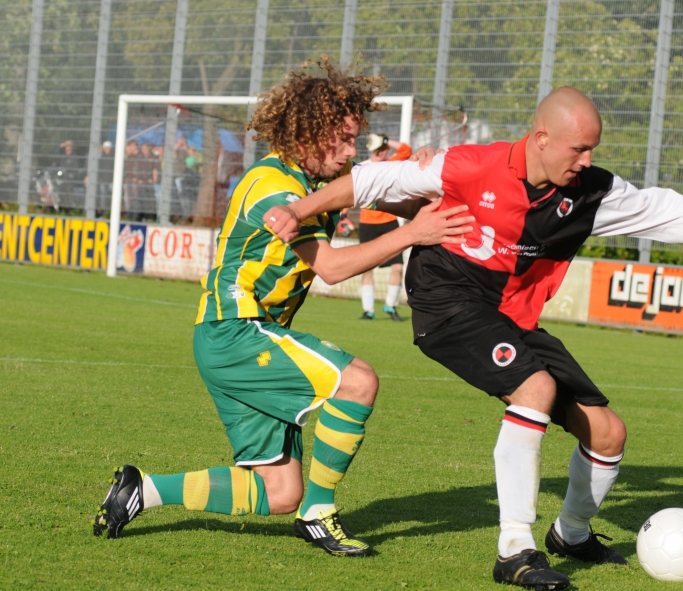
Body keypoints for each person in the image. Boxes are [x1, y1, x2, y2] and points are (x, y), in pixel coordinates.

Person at [264, 86, 683, 588]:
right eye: (578, 147)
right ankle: (515, 550)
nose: (586, 159)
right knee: (534, 387)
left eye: (592, 149)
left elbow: (664, 212)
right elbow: (370, 181)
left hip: (511, 318)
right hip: (446, 301)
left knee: (607, 434)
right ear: (541, 138)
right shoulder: (470, 164)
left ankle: (571, 535)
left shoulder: (588, 193)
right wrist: (298, 210)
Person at [92, 55, 473, 558]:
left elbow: (404, 196)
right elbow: (332, 268)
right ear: (309, 135)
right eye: (343, 138)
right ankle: (319, 517)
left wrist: (424, 171)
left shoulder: (314, 184)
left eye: (355, 138)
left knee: (279, 492)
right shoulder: (275, 185)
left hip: (238, 339)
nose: (351, 150)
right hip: (236, 331)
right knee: (358, 381)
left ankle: (143, 489)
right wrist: (411, 235)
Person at [349, 133, 412, 321]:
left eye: (385, 149)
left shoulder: (391, 163)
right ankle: (368, 310)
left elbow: (405, 149)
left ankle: (390, 306)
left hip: (390, 222)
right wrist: (345, 216)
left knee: (398, 268)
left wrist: (385, 139)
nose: (385, 151)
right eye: (381, 149)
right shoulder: (363, 168)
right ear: (374, 150)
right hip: (368, 222)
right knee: (367, 269)